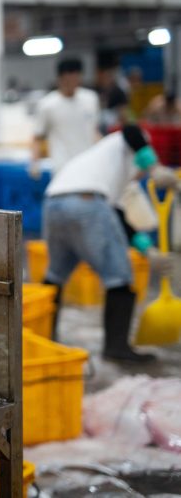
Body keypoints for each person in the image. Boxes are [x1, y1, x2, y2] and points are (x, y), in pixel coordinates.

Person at [41, 124, 177, 362]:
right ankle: (117, 348)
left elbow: (118, 218)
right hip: (86, 203)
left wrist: (149, 251)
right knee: (120, 277)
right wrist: (155, 167)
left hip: (54, 204)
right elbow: (131, 130)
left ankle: (42, 338)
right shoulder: (125, 143)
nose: (141, 174)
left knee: (55, 276)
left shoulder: (100, 165)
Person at [30, 58, 100, 177]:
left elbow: (94, 131)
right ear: (60, 79)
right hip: (62, 168)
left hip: (88, 166)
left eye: (76, 78)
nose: (73, 82)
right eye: (69, 79)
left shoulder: (90, 99)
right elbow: (37, 137)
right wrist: (35, 164)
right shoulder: (48, 105)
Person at [94, 50, 130, 133]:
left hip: (114, 125)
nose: (105, 78)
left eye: (108, 75)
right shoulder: (93, 91)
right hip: (98, 123)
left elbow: (123, 111)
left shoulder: (119, 92)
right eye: (103, 75)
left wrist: (121, 125)